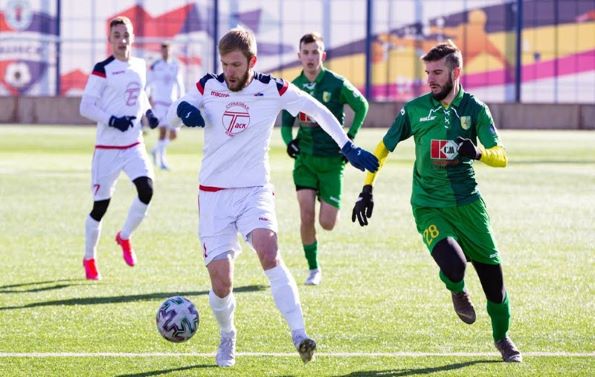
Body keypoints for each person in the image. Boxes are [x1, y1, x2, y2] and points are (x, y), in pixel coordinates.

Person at [167, 26, 378, 368]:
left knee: (269, 250)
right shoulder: (209, 85)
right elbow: (174, 110)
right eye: (224, 64)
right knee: (222, 282)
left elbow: (318, 110)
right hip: (213, 195)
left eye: (235, 64)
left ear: (252, 61)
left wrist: (347, 144)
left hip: (254, 190)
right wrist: (182, 112)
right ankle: (227, 335)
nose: (229, 72)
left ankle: (299, 334)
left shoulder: (273, 88)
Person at [351, 40, 522, 363]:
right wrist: (367, 188)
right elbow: (382, 148)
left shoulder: (475, 109)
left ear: (456, 72)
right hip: (428, 205)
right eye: (427, 72)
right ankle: (456, 288)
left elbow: (502, 156)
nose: (430, 79)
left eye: (437, 72)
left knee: (495, 287)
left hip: (469, 206)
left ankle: (502, 338)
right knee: (454, 265)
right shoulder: (414, 109)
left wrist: (479, 153)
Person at [281, 32, 369, 286]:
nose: (310, 57)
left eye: (315, 52)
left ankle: (325, 196)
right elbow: (286, 123)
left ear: (323, 55)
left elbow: (361, 105)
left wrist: (349, 138)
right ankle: (313, 268)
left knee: (327, 223)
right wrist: (290, 142)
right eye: (306, 52)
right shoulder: (293, 86)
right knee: (306, 215)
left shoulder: (336, 83)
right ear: (299, 56)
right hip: (306, 161)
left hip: (332, 162)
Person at [79, 16, 159, 281]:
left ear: (132, 37)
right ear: (110, 40)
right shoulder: (102, 69)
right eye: (117, 36)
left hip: (134, 143)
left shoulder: (139, 64)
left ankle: (124, 236)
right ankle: (89, 257)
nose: (122, 40)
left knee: (146, 190)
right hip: (107, 148)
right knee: (100, 207)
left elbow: (140, 94)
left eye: (126, 35)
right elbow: (86, 106)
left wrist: (149, 112)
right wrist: (113, 120)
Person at [147, 41, 185, 170]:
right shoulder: (155, 66)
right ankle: (162, 160)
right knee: (163, 131)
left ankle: (155, 150)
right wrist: (147, 100)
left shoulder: (175, 65)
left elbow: (180, 84)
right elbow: (148, 83)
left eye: (168, 49)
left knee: (174, 134)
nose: (166, 52)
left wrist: (182, 100)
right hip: (159, 103)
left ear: (171, 50)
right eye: (163, 50)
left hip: (172, 103)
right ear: (161, 51)